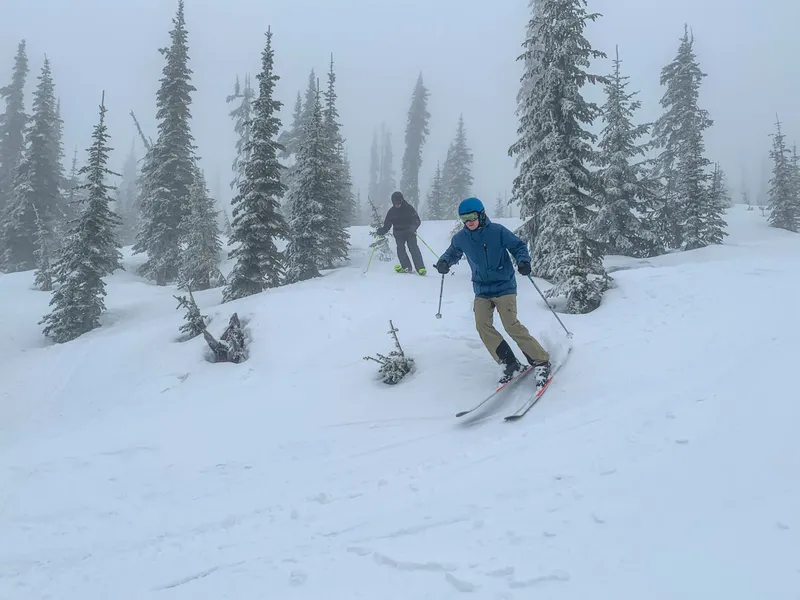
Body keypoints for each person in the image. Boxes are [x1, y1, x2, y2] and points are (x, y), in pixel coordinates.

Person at [435, 197, 550, 385]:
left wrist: (523, 262)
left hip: (504, 286)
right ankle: (509, 363)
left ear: (481, 214)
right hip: (481, 289)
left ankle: (541, 360)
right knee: (482, 325)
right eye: (464, 218)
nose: (468, 222)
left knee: (511, 325)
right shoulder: (461, 238)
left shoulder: (497, 231)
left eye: (472, 216)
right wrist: (444, 261)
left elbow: (518, 246)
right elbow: (453, 252)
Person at [376, 191, 426, 275]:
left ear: (402, 200)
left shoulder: (409, 208)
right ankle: (406, 267)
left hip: (410, 232)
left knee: (413, 249)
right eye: (395, 202)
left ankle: (420, 268)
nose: (397, 204)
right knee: (400, 250)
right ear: (393, 202)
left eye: (399, 201)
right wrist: (382, 230)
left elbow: (417, 220)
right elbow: (387, 225)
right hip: (398, 233)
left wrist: (413, 228)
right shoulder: (391, 211)